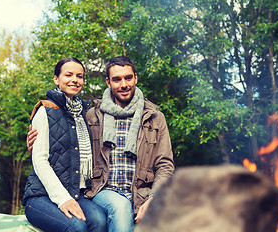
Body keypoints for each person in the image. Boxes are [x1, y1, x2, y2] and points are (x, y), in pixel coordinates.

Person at [27, 56, 175, 232]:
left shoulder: (155, 118)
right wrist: (35, 143)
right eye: (117, 79)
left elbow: (165, 164)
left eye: (128, 78)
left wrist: (154, 197)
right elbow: (62, 144)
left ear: (136, 77)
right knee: (118, 208)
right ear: (108, 82)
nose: (123, 84)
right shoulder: (92, 115)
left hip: (140, 192)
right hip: (101, 190)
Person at [22, 57, 107, 232]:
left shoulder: (84, 114)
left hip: (77, 192)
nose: (74, 80)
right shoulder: (45, 110)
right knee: (77, 226)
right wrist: (63, 199)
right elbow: (39, 160)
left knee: (99, 222)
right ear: (56, 79)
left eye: (79, 76)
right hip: (41, 196)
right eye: (68, 75)